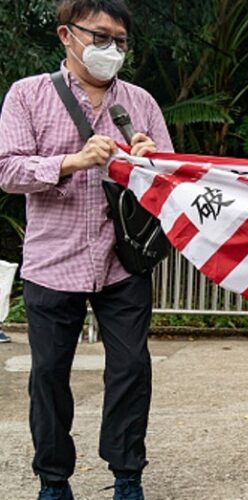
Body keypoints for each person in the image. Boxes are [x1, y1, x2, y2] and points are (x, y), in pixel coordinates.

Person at [0, 1, 173, 498]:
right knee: (49, 375)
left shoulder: (141, 102)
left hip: (124, 262)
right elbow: (8, 170)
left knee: (132, 370)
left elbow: (170, 180)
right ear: (65, 35)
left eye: (120, 40)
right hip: (53, 263)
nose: (111, 49)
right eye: (100, 37)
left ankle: (127, 476)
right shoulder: (27, 95)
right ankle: (53, 481)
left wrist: (151, 162)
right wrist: (71, 161)